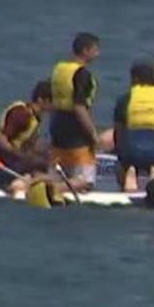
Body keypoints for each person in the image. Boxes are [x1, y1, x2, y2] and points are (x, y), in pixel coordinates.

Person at [49, 32, 101, 191]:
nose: (98, 53)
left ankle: (39, 184)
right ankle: (53, 189)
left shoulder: (59, 69)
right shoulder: (82, 74)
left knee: (57, 176)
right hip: (76, 134)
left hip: (57, 129)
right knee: (86, 182)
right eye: (95, 49)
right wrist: (93, 135)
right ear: (85, 51)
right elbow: (80, 107)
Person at [113, 62, 154, 191]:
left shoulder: (125, 99)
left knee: (130, 167)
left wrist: (119, 152)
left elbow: (119, 130)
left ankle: (130, 182)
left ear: (134, 79)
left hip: (131, 151)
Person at [0, 80, 53, 193]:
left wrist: (51, 150)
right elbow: (1, 139)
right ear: (41, 100)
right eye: (52, 101)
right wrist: (18, 154)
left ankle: (31, 180)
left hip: (17, 160)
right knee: (45, 167)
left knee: (48, 160)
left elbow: (30, 144)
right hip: (8, 164)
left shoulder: (35, 117)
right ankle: (20, 184)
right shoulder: (22, 114)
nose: (55, 105)